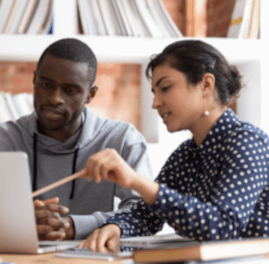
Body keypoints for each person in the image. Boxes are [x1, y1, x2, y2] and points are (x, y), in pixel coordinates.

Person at [78, 39, 269, 252]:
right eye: (154, 92)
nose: (155, 103)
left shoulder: (248, 141)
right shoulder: (185, 155)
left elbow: (222, 227)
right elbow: (147, 216)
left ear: (206, 85)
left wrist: (136, 181)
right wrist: (116, 228)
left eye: (165, 88)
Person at [0, 38, 154, 240]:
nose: (55, 98)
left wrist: (74, 226)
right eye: (46, 84)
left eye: (70, 90)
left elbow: (145, 215)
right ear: (34, 81)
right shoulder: (1, 139)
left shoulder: (122, 139)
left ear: (90, 94)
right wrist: (19, 221)